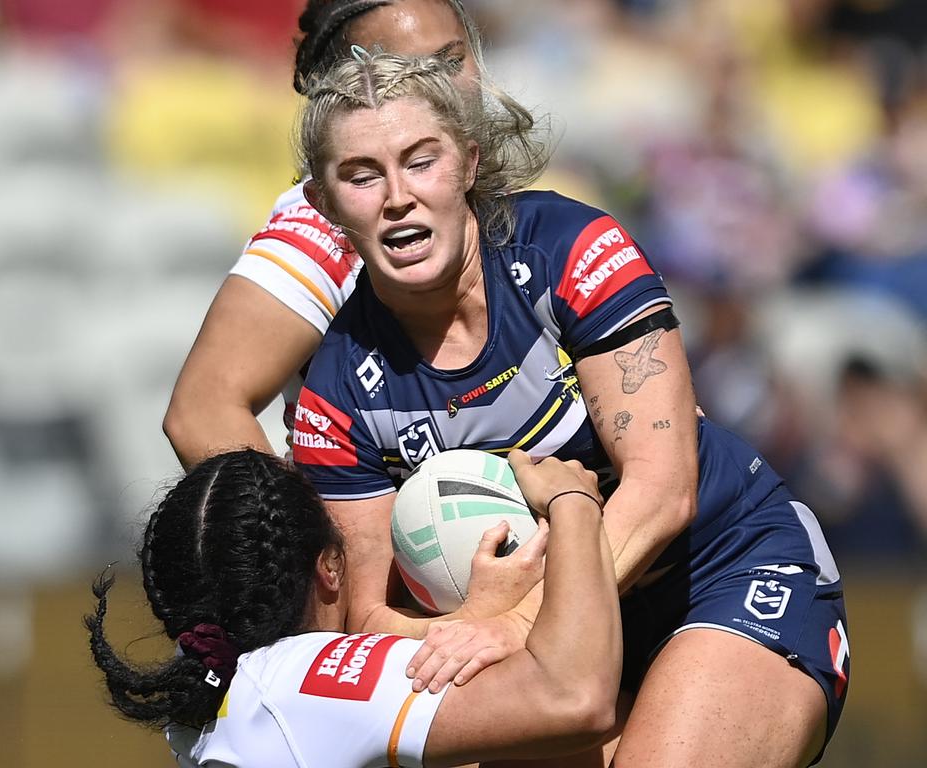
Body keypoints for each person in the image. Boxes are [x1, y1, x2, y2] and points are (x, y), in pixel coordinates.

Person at [290, 51, 850, 767]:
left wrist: (519, 620)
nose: (397, 195)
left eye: (419, 161)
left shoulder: (570, 252)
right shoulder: (337, 392)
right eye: (362, 175)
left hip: (718, 571)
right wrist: (475, 617)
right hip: (539, 640)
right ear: (325, 203)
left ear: (467, 162)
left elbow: (661, 489)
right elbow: (366, 618)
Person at [85, 448, 622, 767]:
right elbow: (574, 699)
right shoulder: (302, 680)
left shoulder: (208, 699)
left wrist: (477, 618)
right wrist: (571, 502)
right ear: (330, 567)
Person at [163, 0, 489, 464]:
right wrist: (315, 537)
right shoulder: (329, 228)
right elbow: (201, 411)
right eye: (407, 71)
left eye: (452, 61)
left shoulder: (498, 186)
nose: (444, 86)